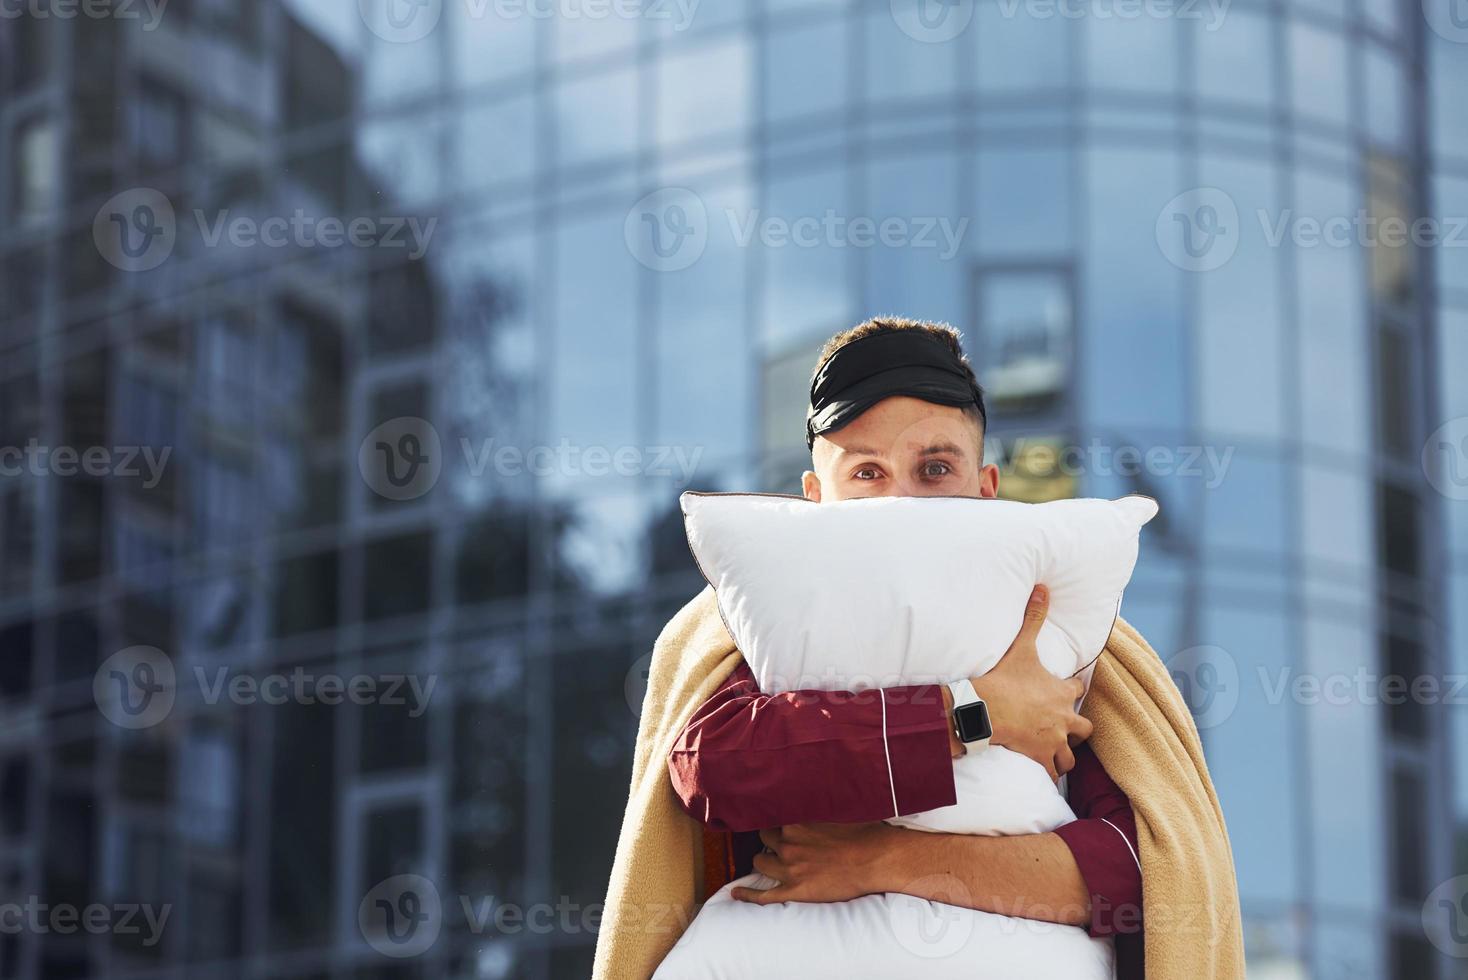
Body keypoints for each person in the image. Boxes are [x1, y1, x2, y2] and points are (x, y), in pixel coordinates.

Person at [667, 317, 1145, 978]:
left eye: (934, 468)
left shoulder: (1071, 641)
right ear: (815, 500)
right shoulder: (763, 634)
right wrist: (972, 715)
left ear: (985, 488)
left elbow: (1129, 871)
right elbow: (712, 768)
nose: (901, 500)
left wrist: (879, 859)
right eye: (867, 472)